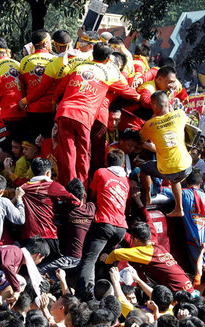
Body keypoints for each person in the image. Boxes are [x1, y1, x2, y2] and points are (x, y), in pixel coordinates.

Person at [54, 42, 139, 186]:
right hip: (84, 116)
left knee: (68, 154)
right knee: (83, 155)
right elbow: (129, 93)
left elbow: (59, 90)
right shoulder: (109, 73)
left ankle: (68, 190)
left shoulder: (78, 67)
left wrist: (54, 102)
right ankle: (81, 192)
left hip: (64, 112)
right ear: (107, 59)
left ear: (93, 54)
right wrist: (139, 97)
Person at [77, 149, 130, 296]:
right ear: (123, 164)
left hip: (104, 224)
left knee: (89, 261)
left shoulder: (101, 172)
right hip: (121, 229)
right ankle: (108, 296)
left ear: (107, 162)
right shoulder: (126, 180)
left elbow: (93, 195)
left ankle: (85, 296)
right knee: (107, 261)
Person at [139, 90, 193, 217]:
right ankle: (179, 209)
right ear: (168, 103)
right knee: (175, 179)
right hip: (186, 166)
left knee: (144, 169)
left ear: (154, 107)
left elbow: (139, 139)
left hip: (168, 170)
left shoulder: (150, 125)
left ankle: (148, 197)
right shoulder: (180, 114)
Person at [162, 168, 205, 273]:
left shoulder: (182, 194)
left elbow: (161, 190)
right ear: (201, 182)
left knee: (199, 272)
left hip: (195, 241)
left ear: (186, 181)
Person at [0, 38, 26, 140]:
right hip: (25, 112)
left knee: (1, 143)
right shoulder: (19, 64)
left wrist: (2, 103)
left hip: (8, 114)